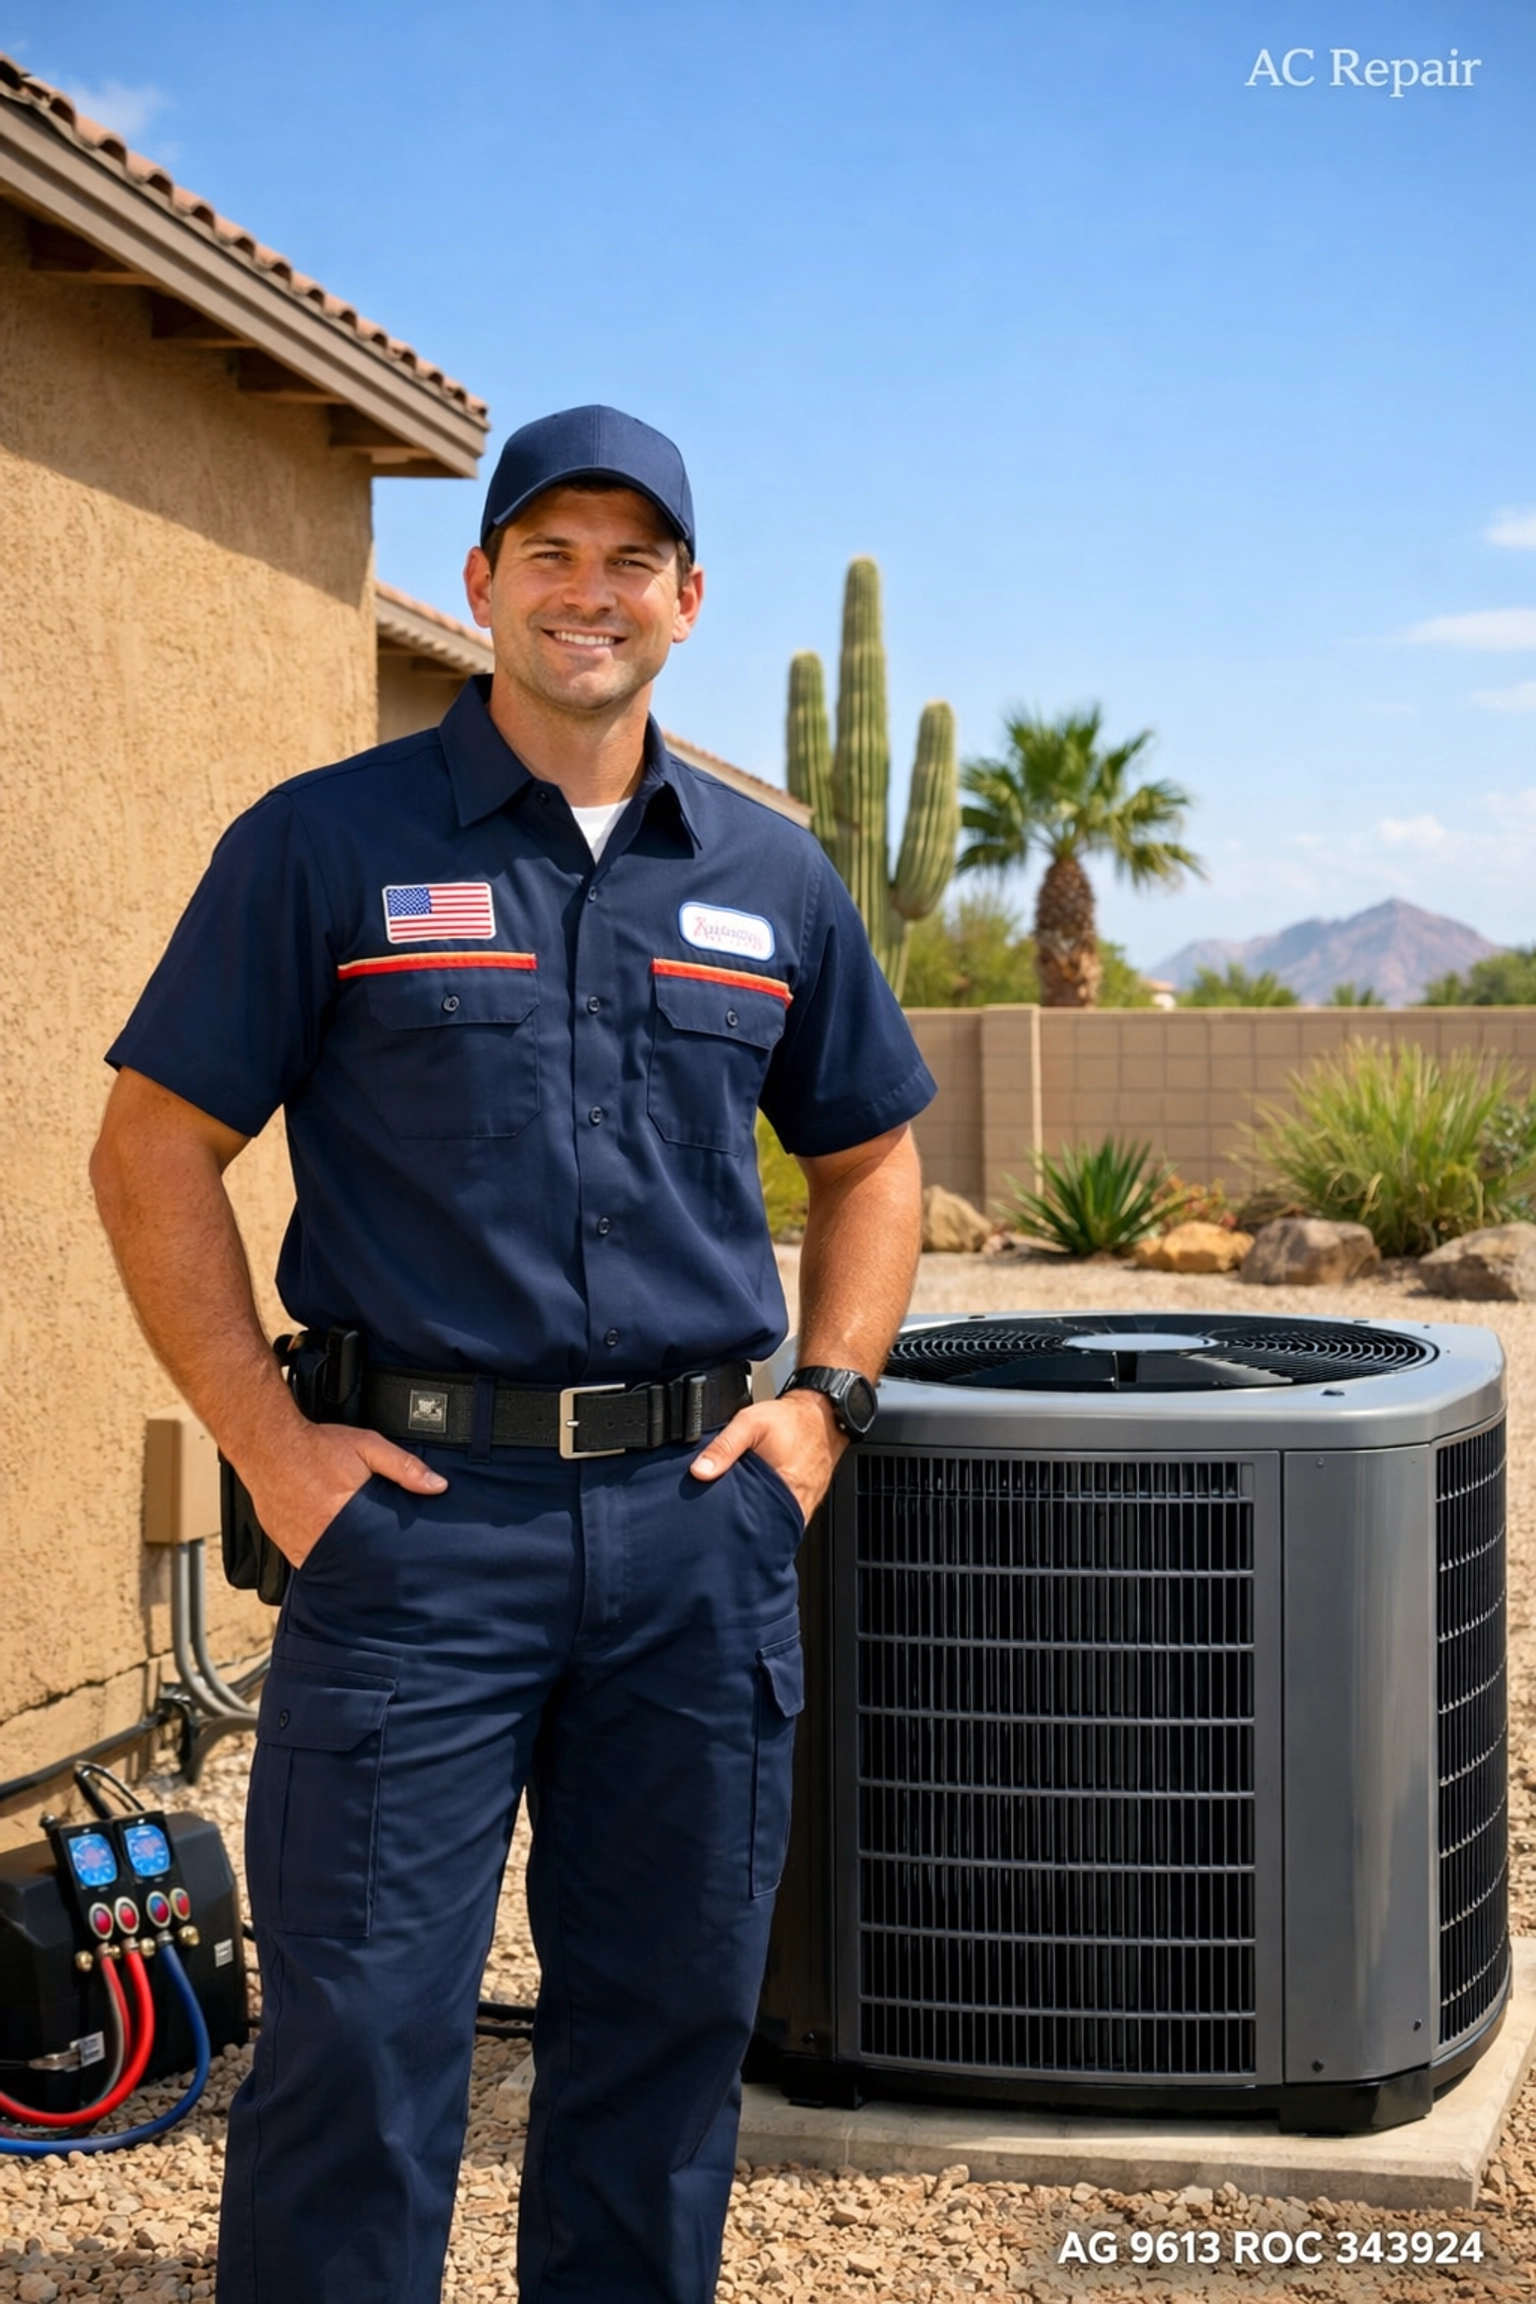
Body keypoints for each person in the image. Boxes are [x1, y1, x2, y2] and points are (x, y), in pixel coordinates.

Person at [90, 404, 934, 2304]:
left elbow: (874, 1156)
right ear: (480, 584)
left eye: (633, 558)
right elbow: (151, 1151)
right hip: (412, 1535)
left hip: (699, 1537)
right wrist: (266, 1443)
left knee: (657, 2044)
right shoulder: (326, 846)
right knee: (365, 2053)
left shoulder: (774, 881)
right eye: (550, 551)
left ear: (689, 602)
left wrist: (826, 1406)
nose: (590, 591)